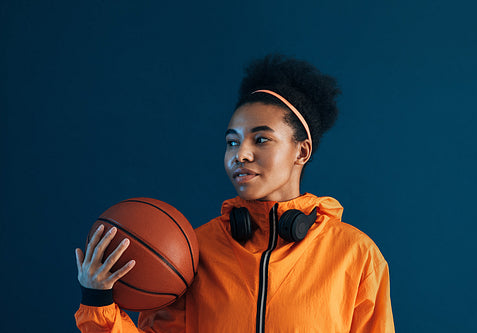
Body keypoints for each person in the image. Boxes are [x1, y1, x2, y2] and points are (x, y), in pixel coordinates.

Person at [75, 54, 395, 332]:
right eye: (232, 141)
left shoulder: (357, 255)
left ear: (302, 151)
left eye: (261, 139)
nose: (240, 154)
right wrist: (97, 298)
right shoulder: (193, 254)